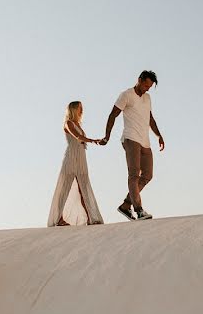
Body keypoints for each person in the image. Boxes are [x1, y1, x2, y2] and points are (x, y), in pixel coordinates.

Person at [101, 70, 165, 221]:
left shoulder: (148, 98)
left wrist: (159, 135)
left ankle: (125, 205)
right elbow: (113, 115)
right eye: (146, 85)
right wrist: (107, 136)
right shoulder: (126, 95)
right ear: (139, 80)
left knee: (148, 175)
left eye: (150, 87)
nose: (147, 89)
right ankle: (139, 209)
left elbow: (150, 118)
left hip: (145, 141)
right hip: (130, 139)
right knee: (134, 174)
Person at [47, 101, 105, 227]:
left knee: (83, 188)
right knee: (64, 188)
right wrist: (93, 141)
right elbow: (77, 137)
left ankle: (92, 218)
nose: (82, 110)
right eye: (80, 108)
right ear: (73, 109)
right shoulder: (68, 123)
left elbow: (80, 138)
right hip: (71, 158)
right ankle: (58, 219)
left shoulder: (78, 124)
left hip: (81, 159)